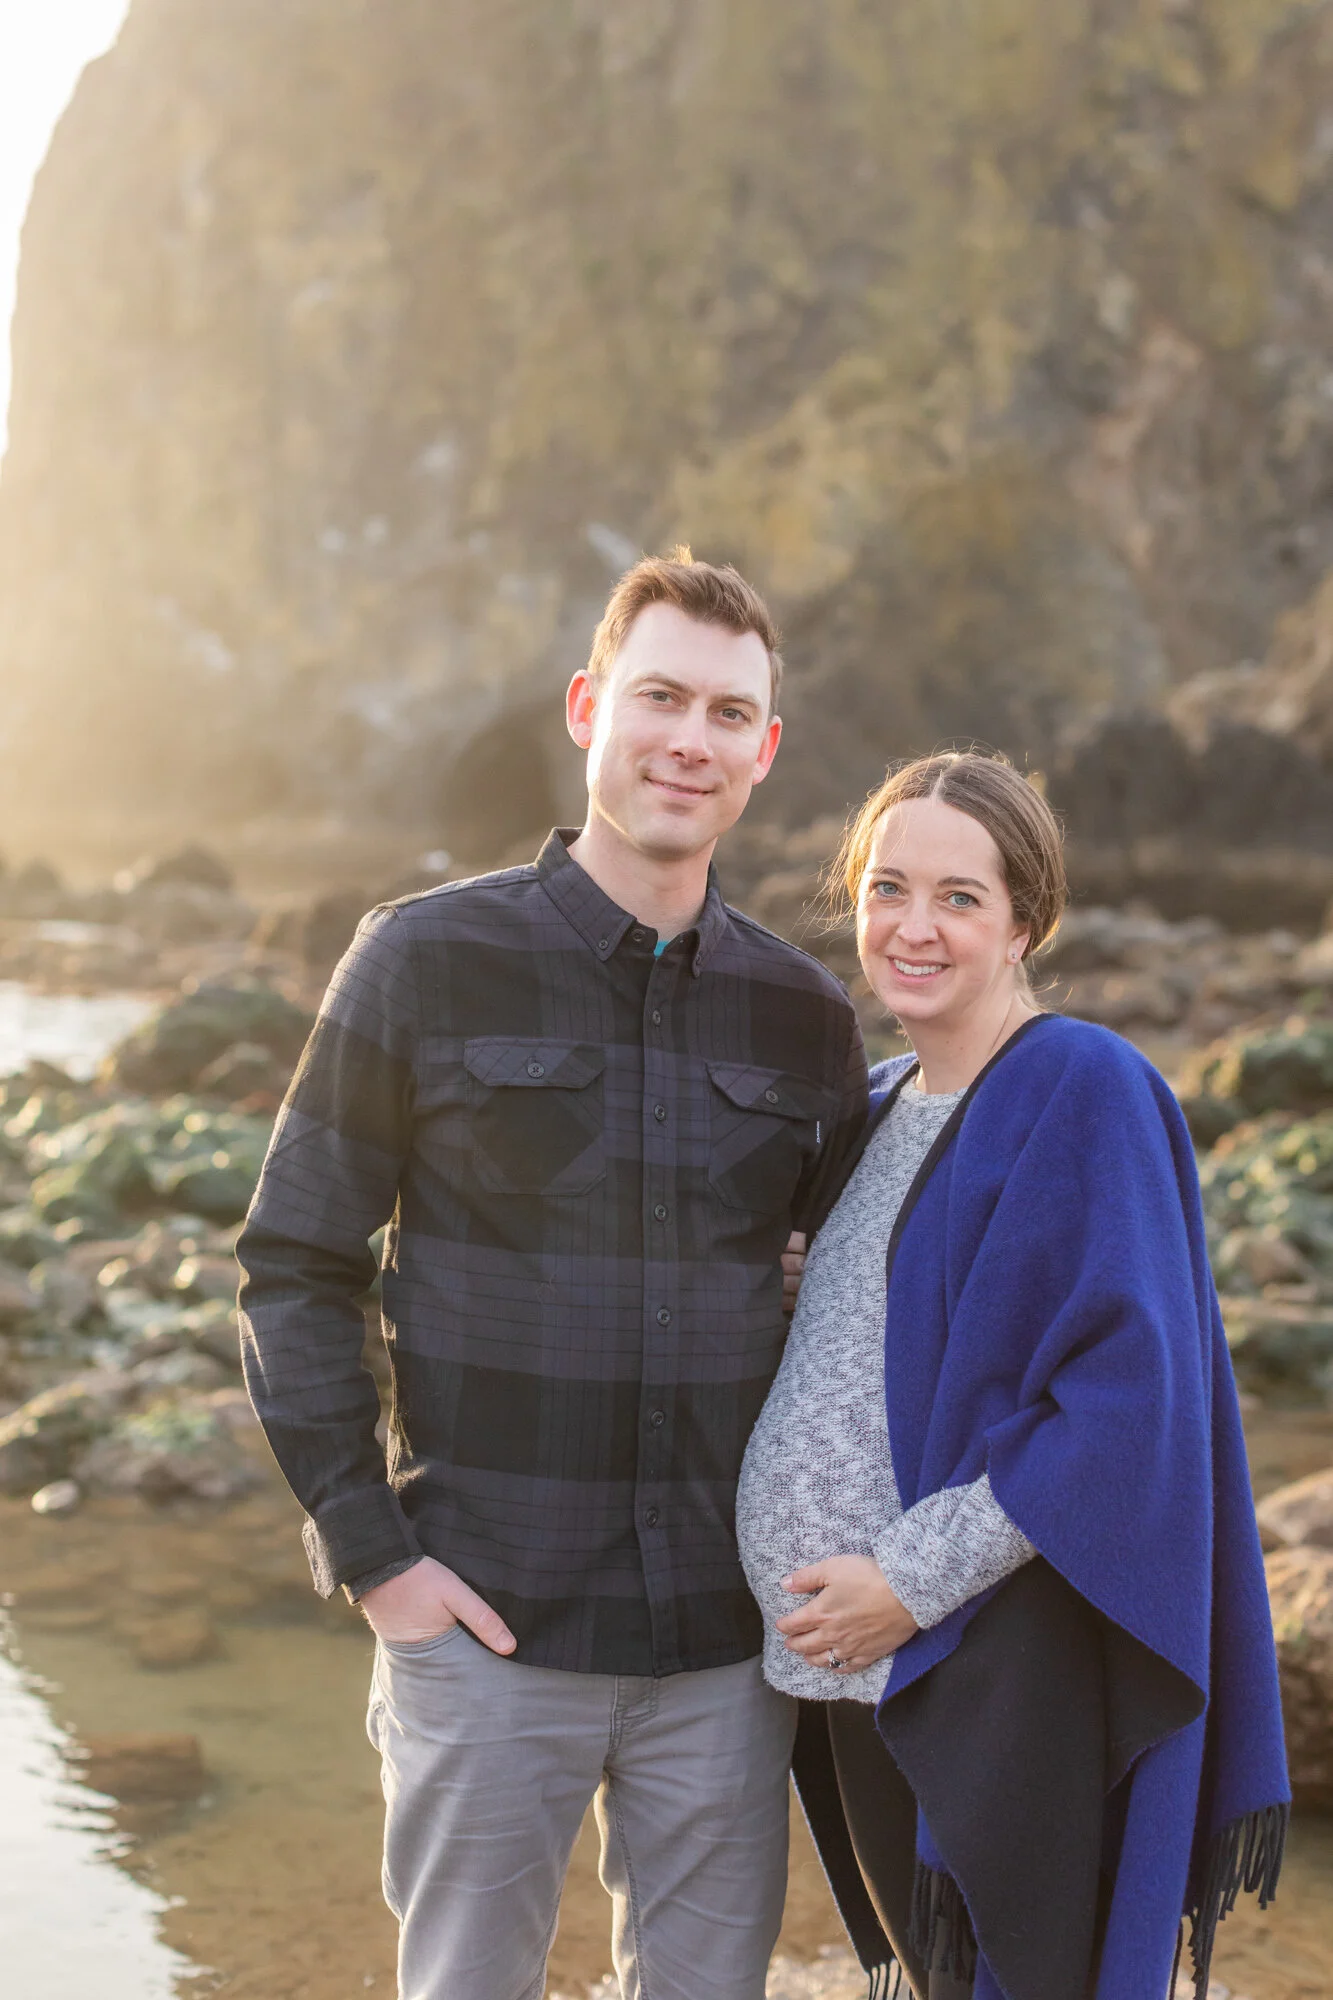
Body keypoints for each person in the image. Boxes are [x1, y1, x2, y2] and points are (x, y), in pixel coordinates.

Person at [236, 549, 868, 2000]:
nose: (687, 740)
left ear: (762, 754)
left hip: (723, 1648)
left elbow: (836, 1305)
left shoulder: (804, 1018)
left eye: (726, 714)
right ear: (590, 708)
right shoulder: (419, 961)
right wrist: (374, 1557)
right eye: (659, 697)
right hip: (486, 1627)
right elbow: (293, 1263)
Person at [736, 751, 1289, 2000]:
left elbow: (1121, 1403)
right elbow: (898, 1319)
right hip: (849, 1669)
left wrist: (908, 1583)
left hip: (984, 1658)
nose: (911, 927)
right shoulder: (873, 1105)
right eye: (886, 888)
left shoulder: (1082, 1084)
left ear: (1025, 920)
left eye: (959, 896)